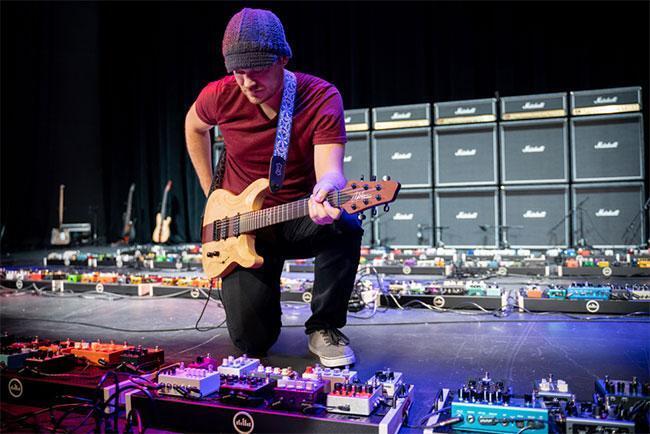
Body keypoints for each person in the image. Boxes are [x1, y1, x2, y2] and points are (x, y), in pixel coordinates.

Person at [184, 7, 362, 367]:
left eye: (257, 71)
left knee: (345, 222)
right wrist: (210, 193)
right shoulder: (218, 95)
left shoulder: (320, 96)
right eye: (238, 72)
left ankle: (324, 326)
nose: (247, 83)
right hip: (241, 228)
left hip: (298, 214)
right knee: (252, 342)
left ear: (282, 58)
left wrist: (327, 188)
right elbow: (193, 127)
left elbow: (331, 171)